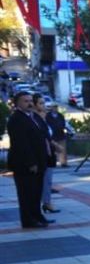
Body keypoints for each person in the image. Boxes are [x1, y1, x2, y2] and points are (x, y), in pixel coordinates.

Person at [6, 90, 53, 228]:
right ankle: (28, 220)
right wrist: (31, 162)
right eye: (25, 101)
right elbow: (21, 144)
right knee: (26, 193)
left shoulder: (33, 116)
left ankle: (37, 216)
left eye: (30, 100)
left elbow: (42, 134)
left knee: (36, 192)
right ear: (17, 104)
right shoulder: (16, 119)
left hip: (39, 161)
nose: (29, 103)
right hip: (25, 164)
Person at [31, 95, 60, 216]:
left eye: (44, 103)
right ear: (35, 105)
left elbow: (48, 135)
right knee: (43, 181)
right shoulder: (35, 119)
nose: (44, 106)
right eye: (41, 103)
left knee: (48, 180)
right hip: (42, 154)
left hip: (49, 153)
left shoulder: (44, 118)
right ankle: (44, 204)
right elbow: (43, 136)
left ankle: (47, 202)